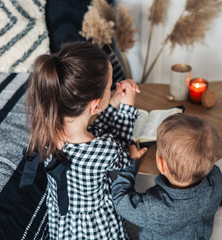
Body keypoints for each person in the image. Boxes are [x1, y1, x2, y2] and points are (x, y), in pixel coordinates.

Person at [23, 41, 140, 239]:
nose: (112, 88)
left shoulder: (45, 130)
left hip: (63, 220)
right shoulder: (105, 149)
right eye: (110, 86)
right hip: (96, 228)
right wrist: (127, 110)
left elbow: (94, 131)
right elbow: (121, 151)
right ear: (95, 106)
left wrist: (111, 103)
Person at [112, 113, 222, 240]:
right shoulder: (215, 178)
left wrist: (129, 165)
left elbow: (121, 201)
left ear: (162, 164)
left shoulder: (155, 208)